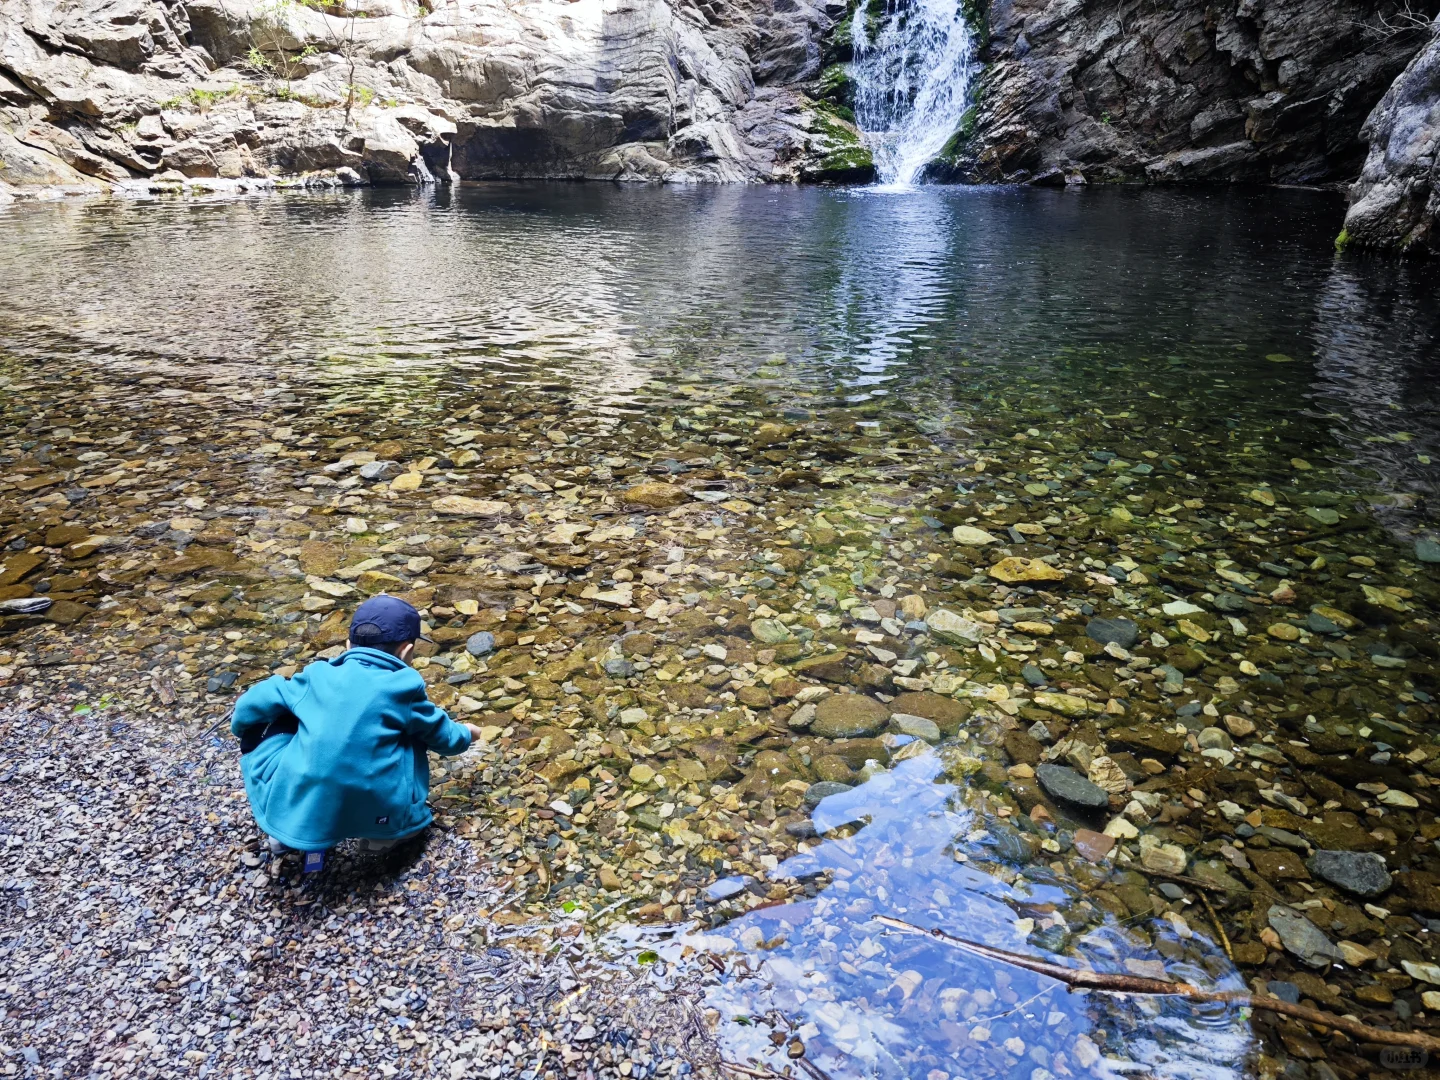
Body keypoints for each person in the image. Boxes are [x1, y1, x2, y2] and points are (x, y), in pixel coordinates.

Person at [231, 594, 481, 857]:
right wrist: (468, 733)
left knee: (288, 716)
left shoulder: (317, 674)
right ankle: (381, 837)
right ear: (407, 651)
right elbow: (444, 738)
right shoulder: (403, 688)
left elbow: (252, 703)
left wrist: (243, 729)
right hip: (374, 805)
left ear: (348, 644)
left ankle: (287, 831)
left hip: (298, 801)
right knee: (410, 736)